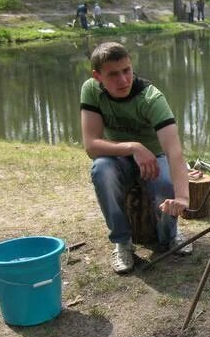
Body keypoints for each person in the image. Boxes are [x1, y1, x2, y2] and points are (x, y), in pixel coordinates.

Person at [80, 42, 192, 274]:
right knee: (101, 170)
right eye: (113, 74)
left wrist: (182, 197)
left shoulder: (151, 98)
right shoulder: (91, 90)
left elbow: (174, 151)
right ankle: (122, 242)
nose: (123, 80)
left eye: (127, 70)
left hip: (156, 156)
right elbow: (91, 146)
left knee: (164, 184)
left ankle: (169, 235)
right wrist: (133, 147)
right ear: (97, 76)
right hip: (118, 157)